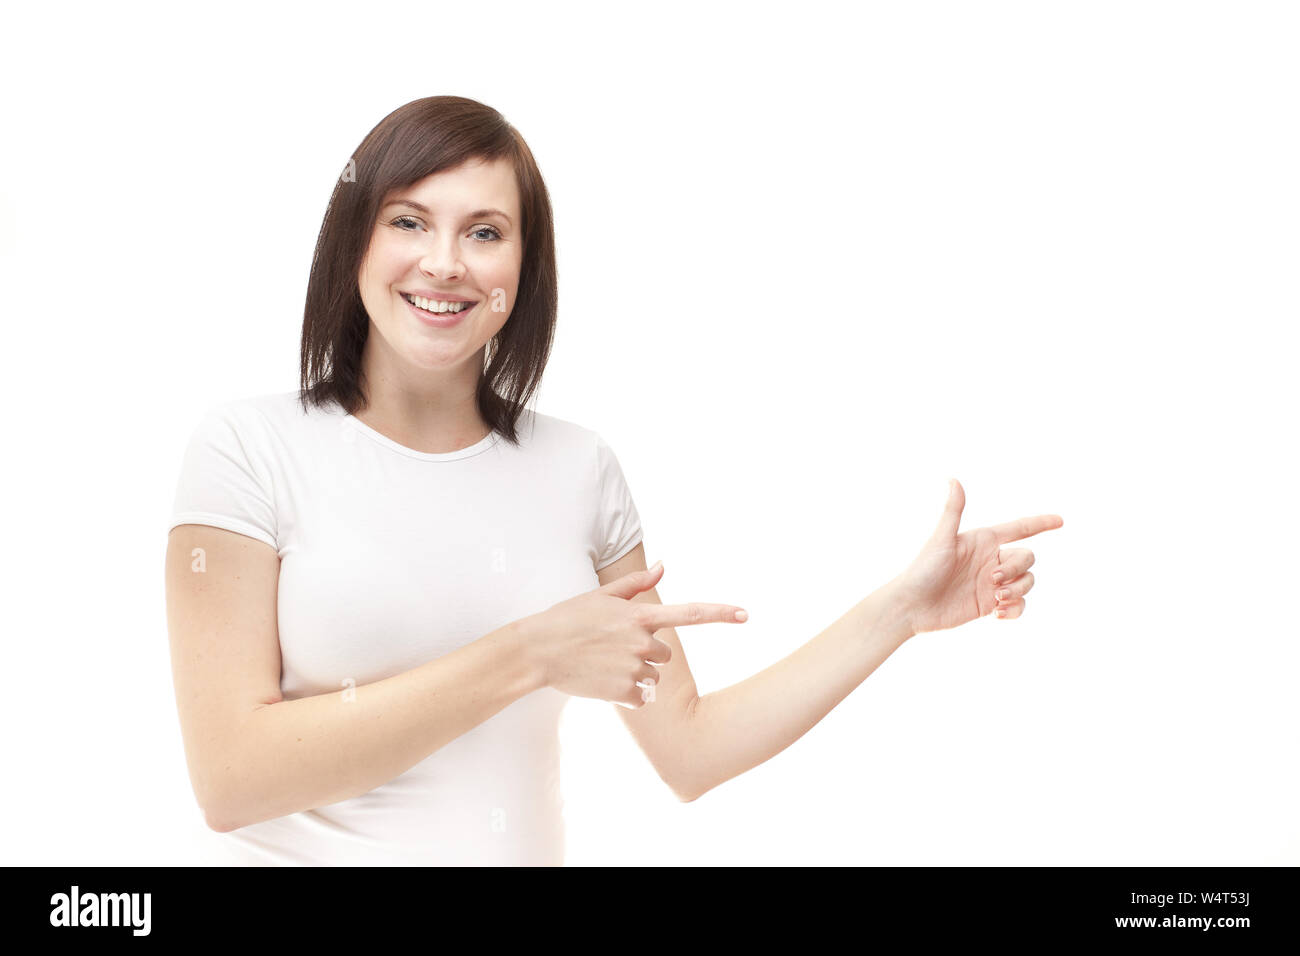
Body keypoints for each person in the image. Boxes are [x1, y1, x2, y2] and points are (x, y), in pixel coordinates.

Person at [164, 95, 1064, 866]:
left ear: (523, 269)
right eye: (408, 220)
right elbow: (231, 778)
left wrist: (899, 612)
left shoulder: (577, 469)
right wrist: (529, 654)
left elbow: (691, 748)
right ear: (353, 242)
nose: (444, 262)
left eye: (485, 232)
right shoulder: (250, 448)